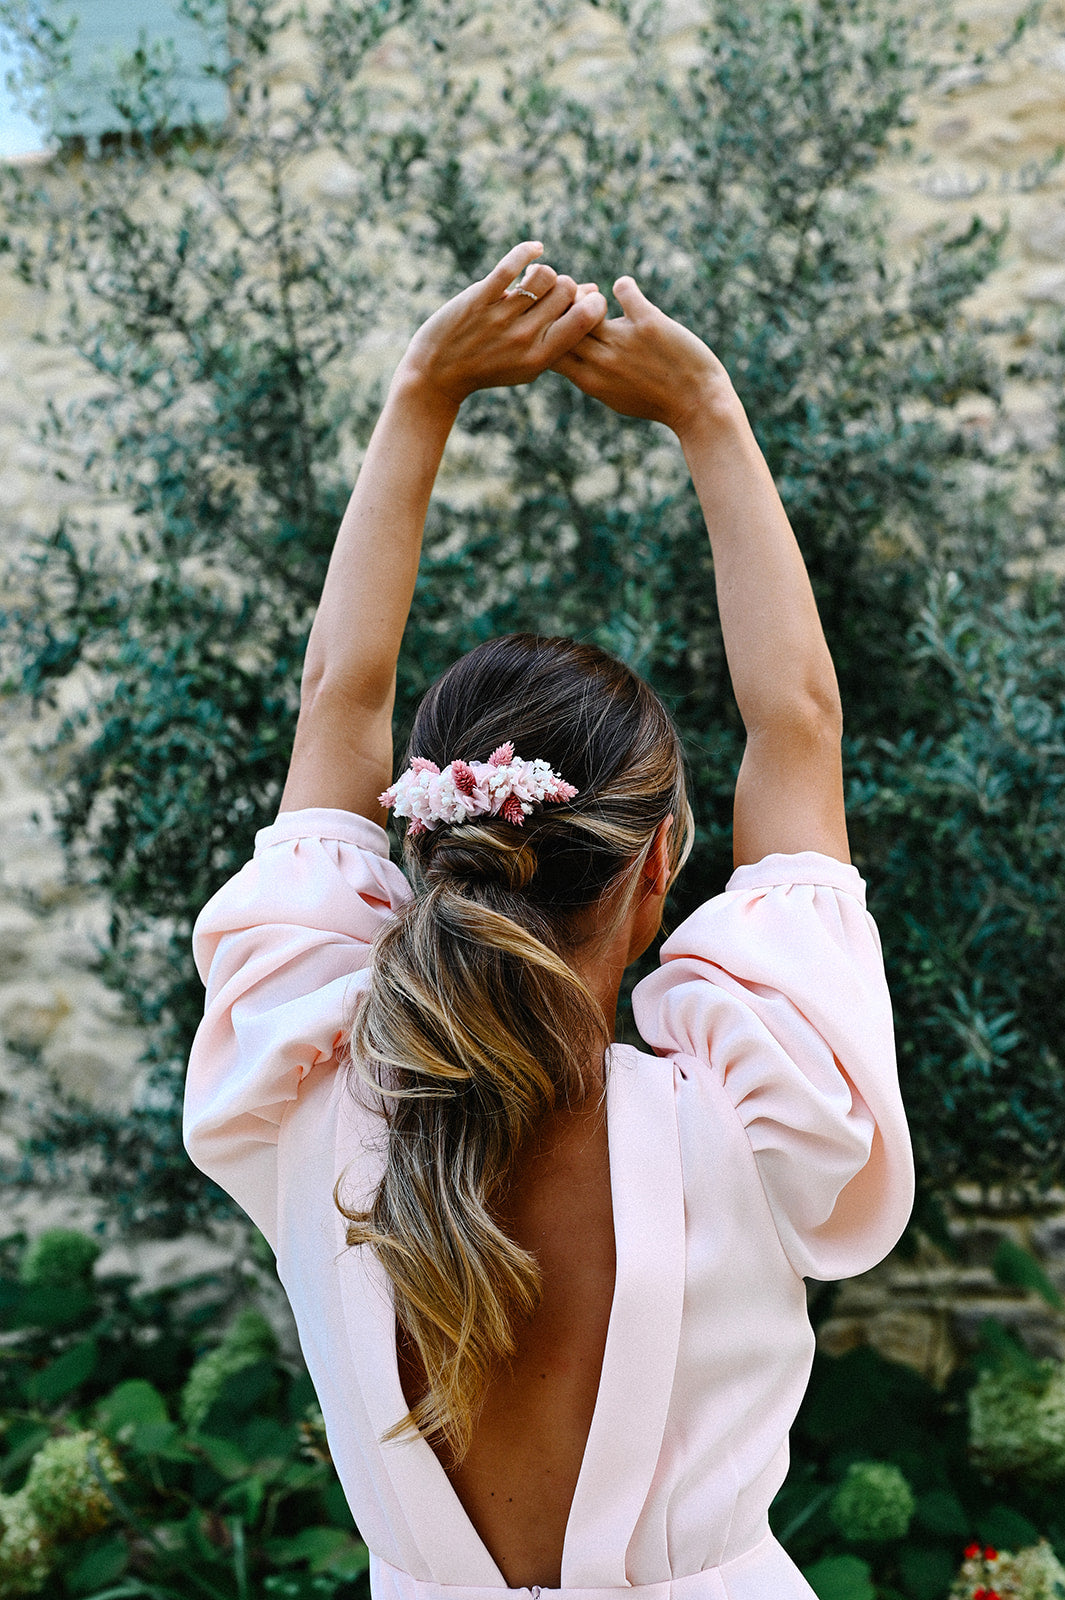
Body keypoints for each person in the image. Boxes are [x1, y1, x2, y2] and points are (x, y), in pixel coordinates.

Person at [183, 241, 914, 1600]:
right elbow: (796, 728)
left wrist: (422, 393)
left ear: (421, 850)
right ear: (657, 876)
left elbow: (338, 697)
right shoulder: (755, 1105)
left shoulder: (301, 1086)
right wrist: (708, 416)